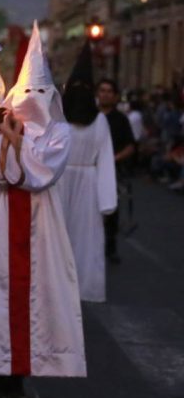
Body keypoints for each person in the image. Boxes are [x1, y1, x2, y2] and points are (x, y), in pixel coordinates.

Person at [0, 22, 85, 398]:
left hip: (39, 220)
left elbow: (39, 176)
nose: (31, 98)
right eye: (25, 90)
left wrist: (16, 142)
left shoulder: (59, 133)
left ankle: (25, 364)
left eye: (38, 91)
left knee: (36, 290)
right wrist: (6, 141)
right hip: (2, 216)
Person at [57, 42, 117, 303]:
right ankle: (72, 286)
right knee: (79, 238)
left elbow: (105, 161)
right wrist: (107, 202)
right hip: (83, 183)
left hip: (59, 181)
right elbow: (105, 162)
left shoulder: (58, 117)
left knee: (68, 236)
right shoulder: (99, 120)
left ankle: (62, 285)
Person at [97, 79, 135, 264]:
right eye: (102, 90)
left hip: (113, 172)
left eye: (109, 91)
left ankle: (110, 247)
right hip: (91, 170)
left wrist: (113, 159)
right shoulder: (90, 116)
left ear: (115, 96)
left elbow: (130, 146)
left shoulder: (121, 119)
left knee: (111, 209)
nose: (105, 94)